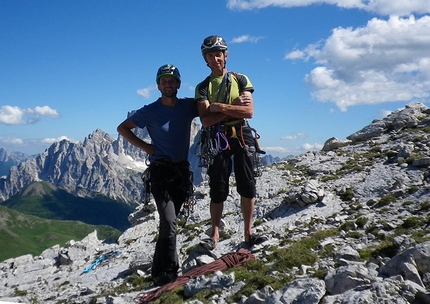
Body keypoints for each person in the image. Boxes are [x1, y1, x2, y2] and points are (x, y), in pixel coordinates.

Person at [117, 64, 198, 286]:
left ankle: (157, 271)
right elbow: (123, 128)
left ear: (179, 84)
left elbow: (207, 106)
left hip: (181, 173)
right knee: (169, 221)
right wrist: (146, 147)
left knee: (167, 225)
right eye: (163, 81)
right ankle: (171, 272)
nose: (168, 84)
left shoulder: (188, 106)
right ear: (158, 85)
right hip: (160, 173)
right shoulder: (150, 110)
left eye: (172, 80)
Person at [195, 35, 267, 250]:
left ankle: (248, 233)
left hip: (241, 132)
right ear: (205, 59)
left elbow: (249, 111)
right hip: (217, 135)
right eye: (210, 55)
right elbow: (206, 120)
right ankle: (214, 234)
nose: (215, 58)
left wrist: (219, 107)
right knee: (218, 186)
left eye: (218, 54)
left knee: (247, 184)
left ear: (225, 55)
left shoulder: (241, 79)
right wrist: (232, 106)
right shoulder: (202, 87)